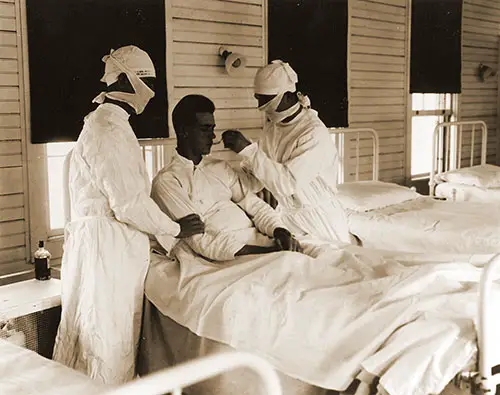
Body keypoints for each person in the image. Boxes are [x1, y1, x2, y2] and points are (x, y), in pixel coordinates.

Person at [52, 45, 205, 385]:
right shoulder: (107, 129)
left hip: (109, 247)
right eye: (145, 81)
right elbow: (129, 204)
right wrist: (175, 228)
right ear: (123, 79)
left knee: (99, 339)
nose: (150, 92)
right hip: (107, 250)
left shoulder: (113, 126)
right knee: (105, 342)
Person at [151, 94, 303, 262]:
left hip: (258, 240)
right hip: (228, 255)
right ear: (183, 131)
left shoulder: (220, 167)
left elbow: (256, 206)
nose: (213, 136)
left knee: (316, 258)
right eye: (205, 129)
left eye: (212, 128)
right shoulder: (168, 181)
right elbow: (201, 240)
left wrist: (280, 231)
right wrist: (268, 252)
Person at [222, 60, 352, 244]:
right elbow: (260, 175)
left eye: (268, 101)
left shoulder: (312, 132)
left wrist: (248, 150)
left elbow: (286, 183)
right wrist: (226, 179)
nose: (263, 107)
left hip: (320, 220)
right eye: (259, 99)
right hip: (288, 217)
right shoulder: (273, 127)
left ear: (288, 96)